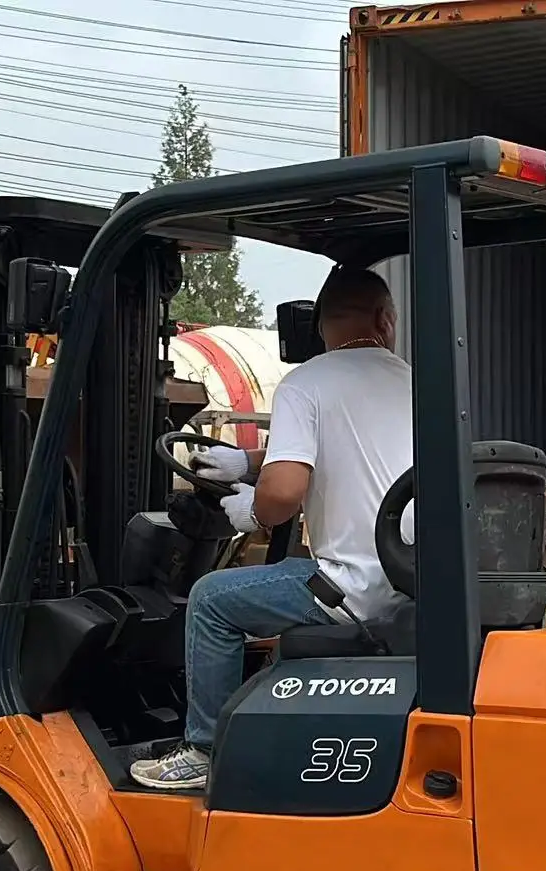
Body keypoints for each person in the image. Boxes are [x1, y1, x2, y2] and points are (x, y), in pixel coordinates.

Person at [130, 266, 414, 791]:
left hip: (350, 588)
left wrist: (254, 513)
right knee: (286, 575)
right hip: (407, 584)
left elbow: (282, 495)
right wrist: (244, 463)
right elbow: (330, 449)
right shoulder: (416, 384)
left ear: (320, 326)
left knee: (210, 599)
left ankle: (204, 749)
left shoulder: (307, 382)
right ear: (384, 320)